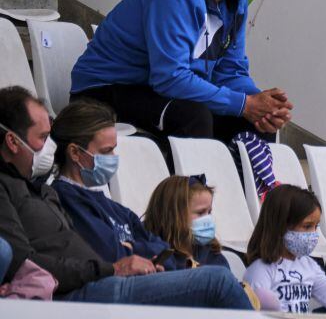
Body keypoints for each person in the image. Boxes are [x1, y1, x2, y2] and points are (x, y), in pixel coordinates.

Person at [0, 85, 252, 307]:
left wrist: (134, 254)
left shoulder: (42, 191)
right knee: (216, 282)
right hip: (80, 291)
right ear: (12, 141)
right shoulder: (47, 192)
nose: (50, 147)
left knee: (219, 281)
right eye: (43, 138)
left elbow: (162, 249)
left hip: (100, 280)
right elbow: (26, 261)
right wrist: (115, 265)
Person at [70, 0, 292, 155]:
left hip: (154, 91)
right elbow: (169, 78)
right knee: (193, 117)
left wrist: (261, 103)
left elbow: (230, 71)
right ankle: (184, 192)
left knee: (257, 123)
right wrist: (244, 104)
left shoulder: (235, 4)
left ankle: (243, 190)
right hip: (102, 91)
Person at [49, 99, 185, 272]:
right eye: (106, 151)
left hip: (139, 285)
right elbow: (111, 255)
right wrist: (143, 254)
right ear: (75, 152)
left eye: (113, 149)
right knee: (215, 280)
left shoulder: (114, 207)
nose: (114, 157)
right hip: (108, 292)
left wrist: (132, 249)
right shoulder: (65, 198)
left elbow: (165, 252)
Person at [244, 185, 326, 314]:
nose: (314, 234)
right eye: (307, 226)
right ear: (281, 226)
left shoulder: (308, 265)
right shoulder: (260, 271)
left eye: (316, 226)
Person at [144, 175, 230, 269]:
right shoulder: (154, 254)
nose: (208, 219)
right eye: (200, 213)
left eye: (209, 212)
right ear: (173, 215)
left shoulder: (211, 253)